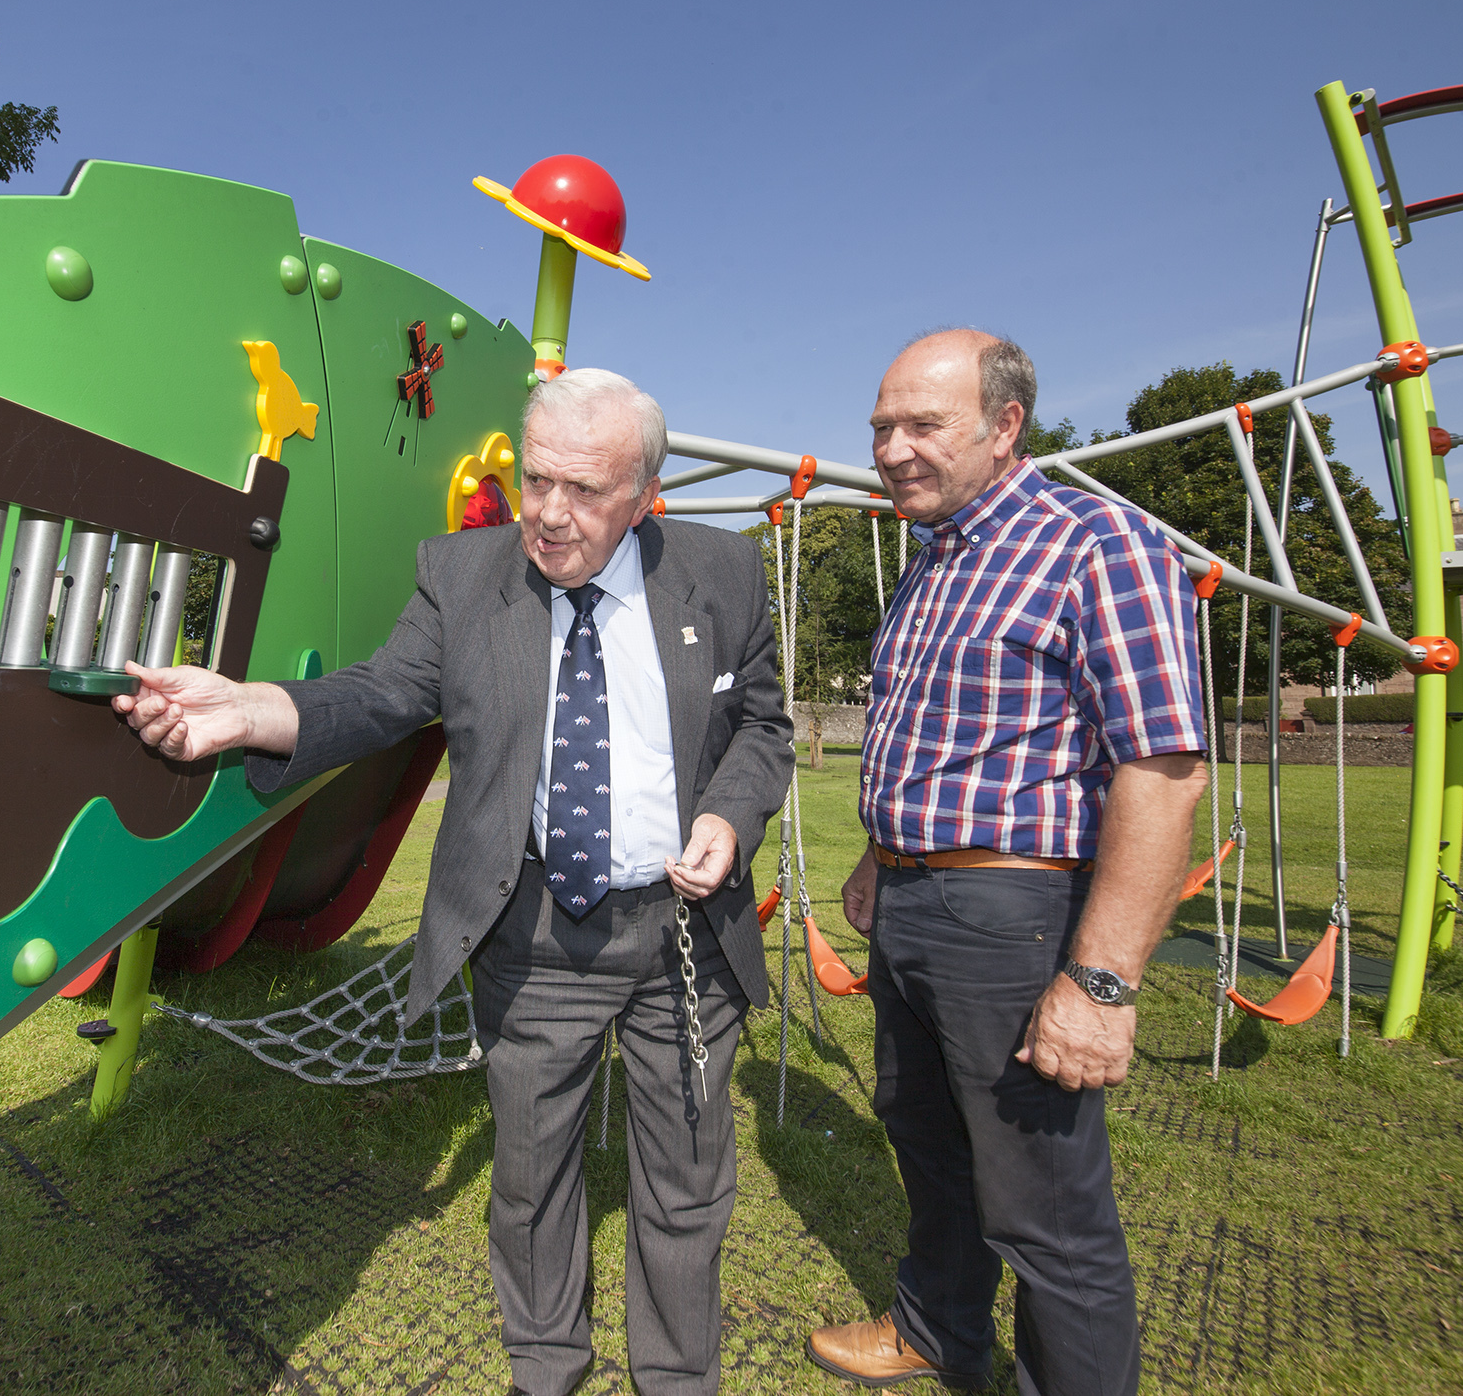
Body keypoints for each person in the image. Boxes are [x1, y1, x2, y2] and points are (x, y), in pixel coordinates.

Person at [114, 368, 793, 1396]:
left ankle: (676, 1379)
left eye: (586, 492)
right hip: (535, 937)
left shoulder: (724, 572)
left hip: (682, 941)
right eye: (537, 479)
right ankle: (547, 1369)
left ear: (646, 494)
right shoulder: (462, 574)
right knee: (528, 1181)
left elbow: (764, 727)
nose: (549, 514)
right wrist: (253, 710)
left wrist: (728, 816)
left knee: (687, 1184)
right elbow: (382, 694)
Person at [806, 331, 1207, 1395]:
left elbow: (1162, 774)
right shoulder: (938, 557)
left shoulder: (1097, 545)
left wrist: (1100, 983)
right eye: (881, 428)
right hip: (910, 899)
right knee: (928, 1143)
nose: (891, 450)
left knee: (1044, 1207)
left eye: (921, 426)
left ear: (1003, 425)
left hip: (1014, 918)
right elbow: (947, 739)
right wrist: (878, 858)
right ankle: (938, 1330)